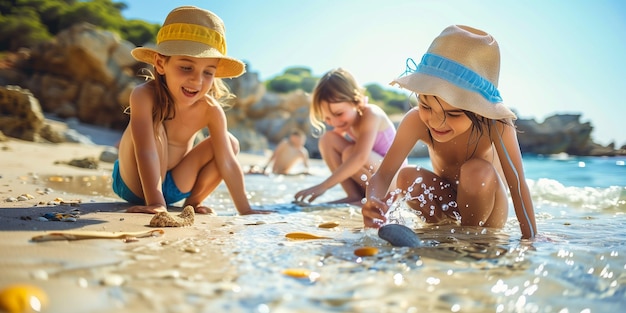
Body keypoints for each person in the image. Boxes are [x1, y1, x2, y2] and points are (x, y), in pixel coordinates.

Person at [362, 25, 537, 239]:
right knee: (407, 176)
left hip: (488, 214)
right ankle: (443, 235)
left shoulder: (496, 125)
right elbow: (383, 175)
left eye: (453, 114)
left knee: (476, 171)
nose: (437, 121)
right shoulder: (416, 120)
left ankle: (473, 239)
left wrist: (531, 238)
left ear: (479, 109)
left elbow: (517, 185)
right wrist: (372, 202)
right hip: (446, 205)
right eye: (426, 106)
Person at [112, 6, 269, 216]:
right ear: (160, 63)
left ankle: (192, 203)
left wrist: (245, 209)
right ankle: (155, 199)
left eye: (208, 72)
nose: (197, 80)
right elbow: (145, 149)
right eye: (186, 67)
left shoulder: (210, 109)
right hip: (135, 181)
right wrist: (156, 202)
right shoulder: (144, 95)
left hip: (176, 186)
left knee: (230, 144)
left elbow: (228, 162)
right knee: (156, 125)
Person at [294, 68, 401, 205]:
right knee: (327, 139)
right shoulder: (347, 122)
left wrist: (323, 186)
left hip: (393, 182)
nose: (334, 122)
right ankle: (354, 195)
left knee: (350, 153)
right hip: (376, 176)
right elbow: (332, 147)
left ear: (355, 101)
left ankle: (379, 199)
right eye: (327, 118)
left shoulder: (371, 114)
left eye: (339, 114)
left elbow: (360, 156)